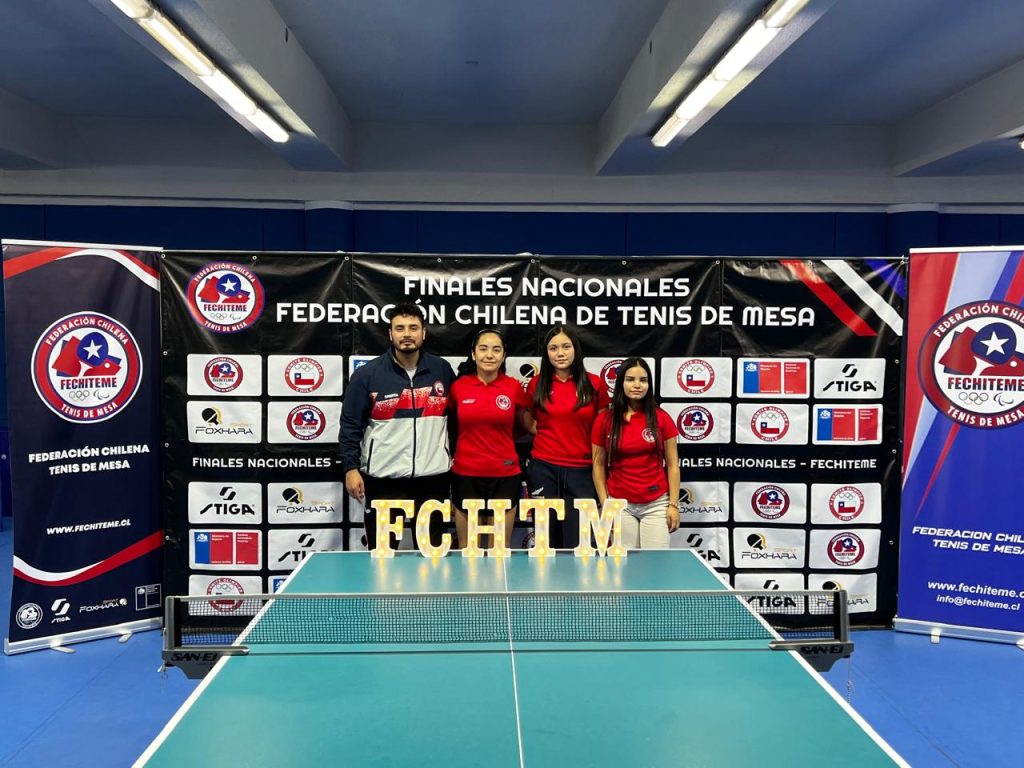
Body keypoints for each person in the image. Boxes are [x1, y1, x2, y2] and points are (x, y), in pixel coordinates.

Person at [340, 302, 455, 550]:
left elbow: (455, 420)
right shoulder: (368, 375)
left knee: (433, 557)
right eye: (400, 328)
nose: (407, 334)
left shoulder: (442, 370)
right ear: (390, 334)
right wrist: (350, 468)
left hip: (433, 480)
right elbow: (350, 426)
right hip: (384, 480)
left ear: (424, 333)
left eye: (413, 328)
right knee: (382, 558)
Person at [523, 325, 610, 548]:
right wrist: (552, 433)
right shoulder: (536, 383)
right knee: (546, 542)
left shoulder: (594, 384)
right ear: (546, 353)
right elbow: (530, 422)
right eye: (553, 348)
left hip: (582, 471)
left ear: (575, 349)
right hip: (544, 469)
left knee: (578, 542)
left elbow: (602, 429)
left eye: (565, 347)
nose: (560, 353)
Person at [449, 328, 530, 548]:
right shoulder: (458, 388)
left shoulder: (514, 387)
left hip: (505, 475)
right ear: (473, 354)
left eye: (496, 350)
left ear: (504, 355)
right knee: (469, 550)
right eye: (483, 349)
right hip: (466, 475)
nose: (489, 355)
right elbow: (451, 428)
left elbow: (525, 427)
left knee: (499, 551)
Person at [591, 357, 680, 549]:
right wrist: (606, 506)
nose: (637, 385)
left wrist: (673, 505)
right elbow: (598, 466)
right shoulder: (604, 420)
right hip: (619, 504)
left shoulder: (662, 418)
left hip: (656, 504)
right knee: (625, 565)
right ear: (621, 382)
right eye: (630, 379)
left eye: (643, 380)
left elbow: (673, 466)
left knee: (656, 563)